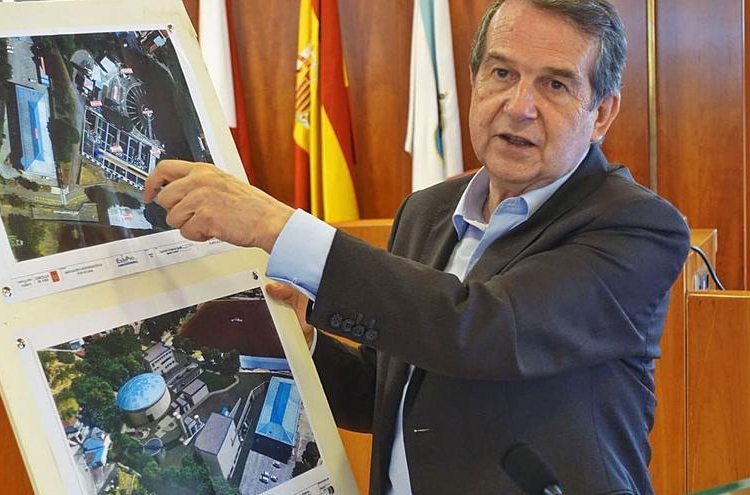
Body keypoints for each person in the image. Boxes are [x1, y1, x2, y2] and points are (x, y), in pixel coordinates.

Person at [142, 0, 690, 492]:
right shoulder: (426, 210)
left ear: (601, 113)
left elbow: (482, 331)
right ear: (474, 80)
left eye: (555, 85)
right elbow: (380, 395)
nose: (519, 106)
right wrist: (304, 344)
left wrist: (279, 227)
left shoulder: (637, 227)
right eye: (502, 72)